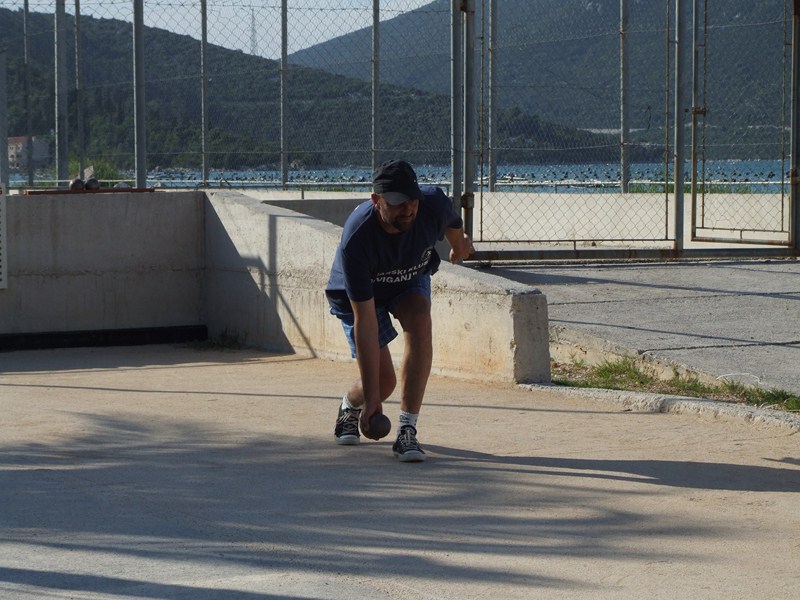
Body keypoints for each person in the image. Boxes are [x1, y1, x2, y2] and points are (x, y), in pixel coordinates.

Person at [325, 159, 474, 462]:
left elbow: (453, 225)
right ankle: (351, 405)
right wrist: (372, 400)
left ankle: (407, 430)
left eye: (412, 201)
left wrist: (459, 246)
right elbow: (366, 322)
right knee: (383, 384)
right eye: (397, 203)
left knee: (420, 319)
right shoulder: (357, 238)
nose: (407, 210)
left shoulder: (432, 204)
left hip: (408, 275)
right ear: (376, 200)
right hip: (362, 294)